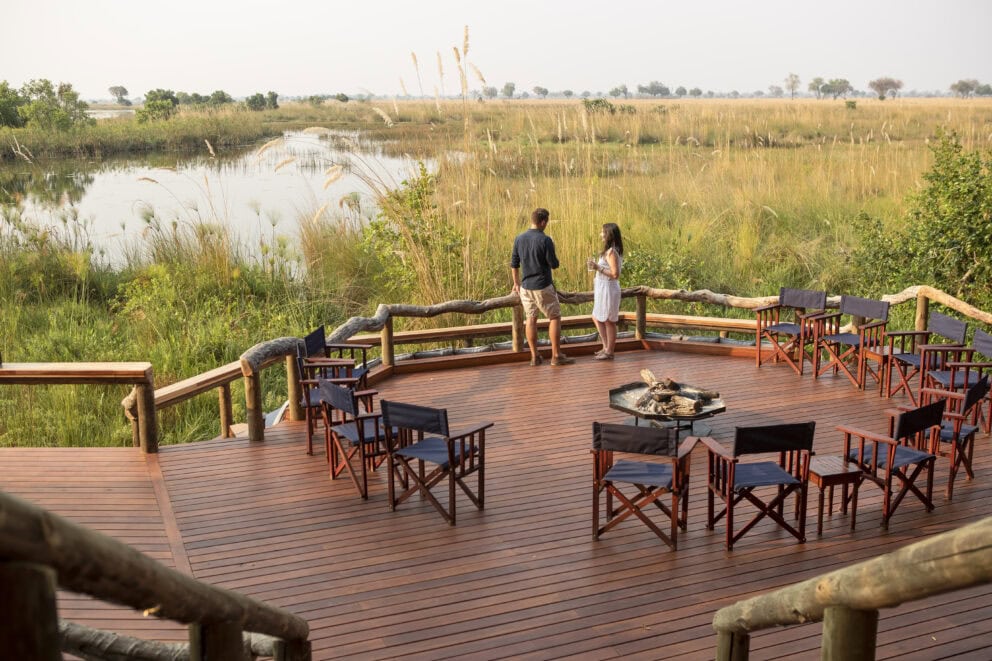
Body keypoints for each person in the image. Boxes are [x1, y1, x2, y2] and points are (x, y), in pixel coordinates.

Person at [510, 208, 574, 366]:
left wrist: (516, 283)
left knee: (530, 319)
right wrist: (552, 246)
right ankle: (556, 355)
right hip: (542, 286)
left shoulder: (519, 238)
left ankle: (534, 356)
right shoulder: (545, 240)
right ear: (543, 222)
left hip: (525, 287)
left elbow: (514, 264)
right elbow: (554, 264)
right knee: (554, 317)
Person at [586, 223, 623, 360]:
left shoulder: (612, 252)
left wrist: (597, 267)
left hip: (609, 289)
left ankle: (610, 351)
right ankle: (605, 346)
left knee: (609, 320)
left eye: (603, 232)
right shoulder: (609, 251)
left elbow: (615, 274)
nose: (601, 235)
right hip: (602, 288)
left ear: (609, 235)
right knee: (597, 317)